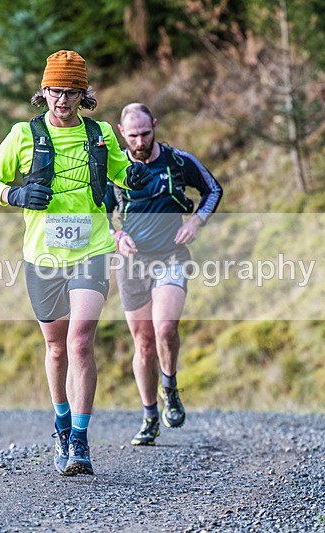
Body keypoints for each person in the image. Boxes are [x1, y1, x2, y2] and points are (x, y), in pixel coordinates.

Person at [0, 51, 152, 475]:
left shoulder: (101, 134)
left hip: (92, 249)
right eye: (56, 91)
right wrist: (14, 195)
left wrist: (133, 175)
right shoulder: (23, 134)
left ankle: (79, 439)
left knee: (80, 341)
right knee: (56, 347)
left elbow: (118, 171)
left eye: (72, 92)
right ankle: (60, 420)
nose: (62, 100)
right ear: (44, 92)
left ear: (82, 94)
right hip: (42, 256)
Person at [104, 102, 222, 446]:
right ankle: (149, 415)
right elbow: (98, 211)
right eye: (133, 135)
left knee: (166, 328)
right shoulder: (114, 168)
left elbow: (213, 189)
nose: (140, 141)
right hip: (132, 263)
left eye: (146, 133)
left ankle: (169, 389)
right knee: (143, 344)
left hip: (171, 255)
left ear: (155, 125)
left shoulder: (178, 161)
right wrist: (116, 236)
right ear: (121, 133)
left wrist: (196, 221)